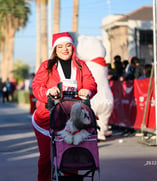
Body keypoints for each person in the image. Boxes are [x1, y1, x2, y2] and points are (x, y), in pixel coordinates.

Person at [32, 32, 97, 181]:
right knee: (46, 158)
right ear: (55, 49)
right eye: (60, 46)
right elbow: (36, 87)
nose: (65, 49)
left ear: (73, 46)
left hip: (72, 119)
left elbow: (91, 83)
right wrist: (48, 92)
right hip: (46, 118)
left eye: (68, 45)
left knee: (71, 159)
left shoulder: (81, 65)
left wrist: (87, 90)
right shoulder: (46, 65)